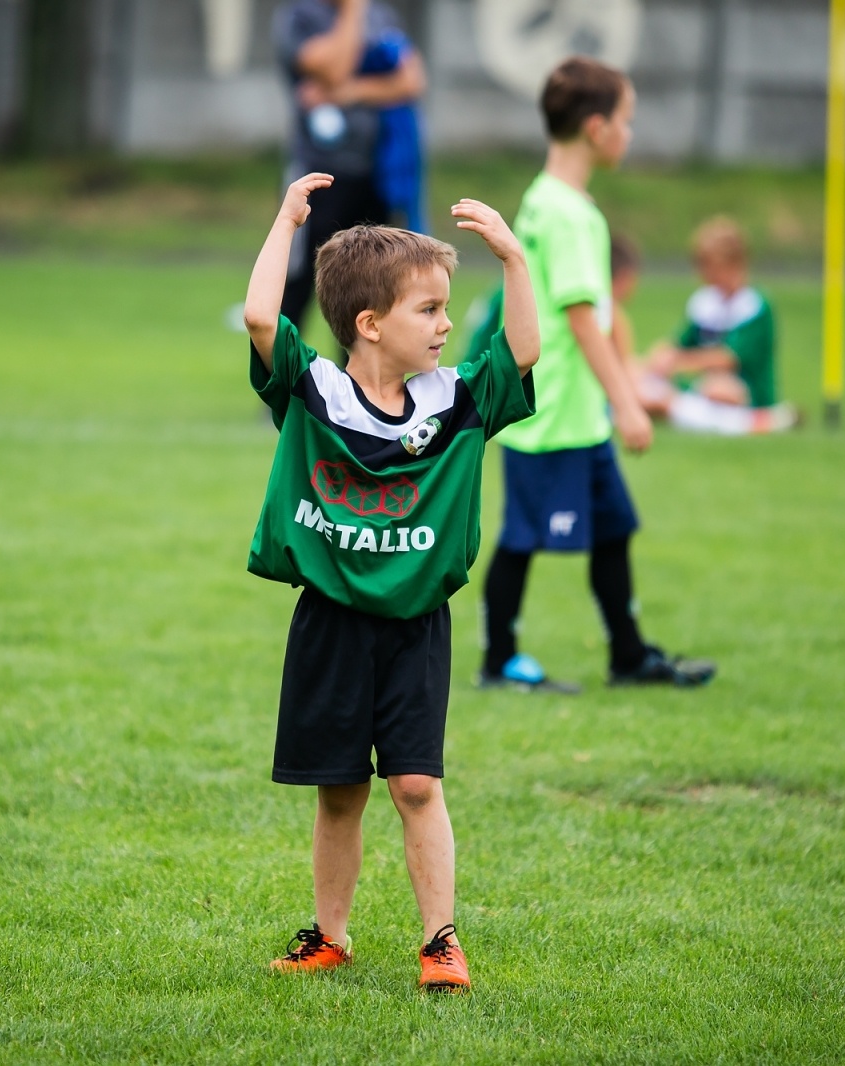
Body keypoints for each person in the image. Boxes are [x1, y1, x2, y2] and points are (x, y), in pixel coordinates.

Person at [242, 173, 537, 991]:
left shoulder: (457, 402)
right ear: (369, 325)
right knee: (338, 791)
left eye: (446, 309)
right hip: (330, 621)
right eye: (429, 311)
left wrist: (513, 258)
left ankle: (440, 942)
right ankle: (327, 937)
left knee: (415, 782)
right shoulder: (315, 392)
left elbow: (522, 351)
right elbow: (263, 317)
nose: (446, 326)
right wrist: (285, 221)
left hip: (415, 625)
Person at [476, 56, 715, 693]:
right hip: (553, 414)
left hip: (577, 415)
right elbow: (585, 322)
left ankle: (629, 657)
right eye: (626, 121)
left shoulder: (545, 198)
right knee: (523, 538)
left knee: (614, 528)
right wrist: (630, 402)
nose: (630, 134)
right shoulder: (568, 215)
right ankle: (499, 661)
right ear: (595, 128)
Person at [273, 0, 427, 332]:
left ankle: (355, 381)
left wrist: (350, 91)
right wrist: (352, 10)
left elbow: (412, 81)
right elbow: (335, 68)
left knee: (367, 286)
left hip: (376, 175)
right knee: (299, 281)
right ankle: (280, 374)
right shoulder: (301, 16)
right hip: (320, 176)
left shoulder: (381, 14)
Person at [630, 218, 798, 435]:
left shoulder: (755, 305)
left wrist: (679, 362)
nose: (706, 274)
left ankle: (761, 420)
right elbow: (681, 342)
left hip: (746, 393)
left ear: (736, 264)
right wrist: (660, 358)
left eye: (711, 266)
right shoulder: (705, 302)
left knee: (718, 389)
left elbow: (728, 358)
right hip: (703, 387)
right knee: (636, 373)